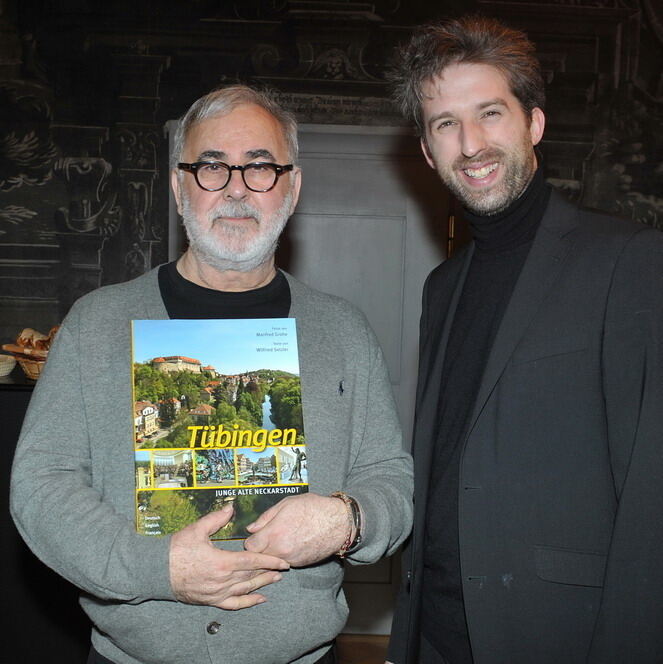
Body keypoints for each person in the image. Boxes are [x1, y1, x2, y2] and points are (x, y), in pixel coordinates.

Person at [10, 85, 413, 664]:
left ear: (291, 188)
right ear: (179, 186)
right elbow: (41, 485)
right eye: (211, 167)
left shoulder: (345, 331)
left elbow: (391, 479)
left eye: (260, 168)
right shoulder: (95, 324)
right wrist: (157, 568)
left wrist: (347, 519)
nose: (235, 191)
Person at [386, 15, 663, 664]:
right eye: (445, 124)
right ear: (427, 152)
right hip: (435, 637)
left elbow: (652, 500)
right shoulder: (442, 287)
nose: (471, 143)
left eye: (489, 113)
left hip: (558, 636)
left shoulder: (629, 262)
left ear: (533, 122)